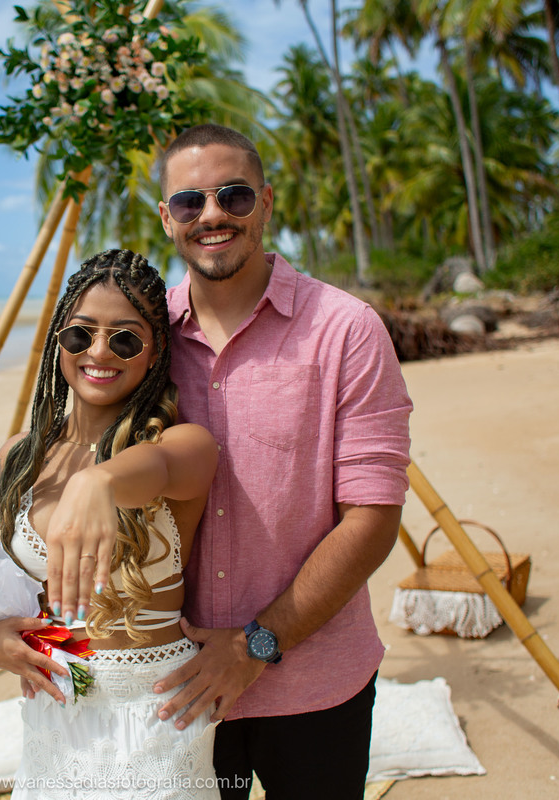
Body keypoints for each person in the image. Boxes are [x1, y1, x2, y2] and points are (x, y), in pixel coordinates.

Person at [43, 124, 414, 799]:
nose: (212, 214)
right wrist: (18, 635)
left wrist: (253, 647)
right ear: (166, 217)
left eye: (233, 196)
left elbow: (373, 520)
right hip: (172, 693)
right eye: (190, 202)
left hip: (313, 682)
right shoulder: (136, 341)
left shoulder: (346, 330)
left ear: (266, 202)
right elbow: (61, 494)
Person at [0, 248, 223, 799]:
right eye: (81, 335)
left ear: (155, 353)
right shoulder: (16, 459)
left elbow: (161, 468)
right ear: (58, 341)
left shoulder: (179, 445)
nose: (100, 352)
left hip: (157, 716)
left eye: (125, 338)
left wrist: (97, 482)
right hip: (54, 716)